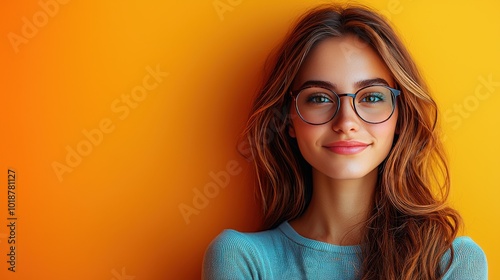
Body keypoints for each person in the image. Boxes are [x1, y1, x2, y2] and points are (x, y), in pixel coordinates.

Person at [202, 3, 488, 280]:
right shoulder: (241, 258)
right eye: (319, 98)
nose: (346, 122)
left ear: (400, 116)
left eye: (372, 97)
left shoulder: (452, 263)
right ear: (289, 119)